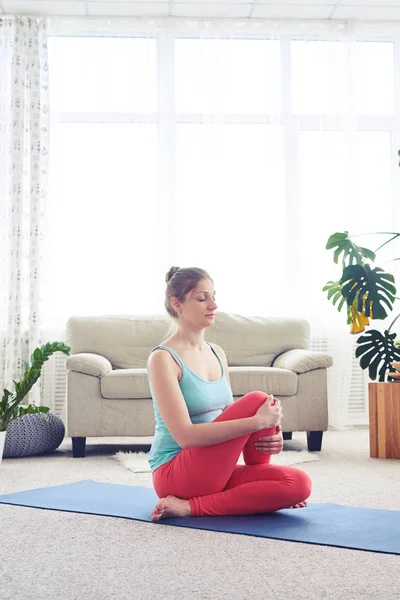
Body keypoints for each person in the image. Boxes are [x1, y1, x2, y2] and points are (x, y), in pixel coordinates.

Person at [147, 267, 312, 521]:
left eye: (213, 296)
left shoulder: (217, 353)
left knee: (298, 483)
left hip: (213, 470)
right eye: (202, 298)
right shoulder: (163, 358)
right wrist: (257, 422)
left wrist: (270, 435)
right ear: (177, 304)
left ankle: (195, 504)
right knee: (258, 401)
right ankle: (190, 506)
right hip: (175, 472)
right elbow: (185, 437)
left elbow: (229, 419)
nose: (213, 304)